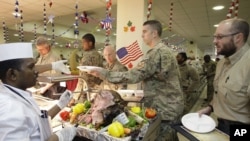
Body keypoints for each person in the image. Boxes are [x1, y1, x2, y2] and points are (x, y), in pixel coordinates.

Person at [89, 20, 184, 141]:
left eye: (145, 32)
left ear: (154, 33)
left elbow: (134, 75)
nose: (142, 35)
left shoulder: (157, 52)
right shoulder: (166, 50)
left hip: (165, 109)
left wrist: (104, 74)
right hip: (171, 105)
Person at [0, 43, 76, 141]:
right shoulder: (10, 109)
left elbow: (37, 120)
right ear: (12, 74)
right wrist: (58, 138)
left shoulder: (18, 94)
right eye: (31, 67)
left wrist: (60, 105)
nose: (36, 71)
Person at [198, 18, 250, 135]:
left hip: (241, 129)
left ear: (238, 38)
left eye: (220, 37)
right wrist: (210, 108)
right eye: (214, 37)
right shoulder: (222, 63)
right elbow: (220, 92)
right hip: (221, 124)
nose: (214, 41)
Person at [73, 33, 103, 100]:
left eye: (84, 42)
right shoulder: (99, 55)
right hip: (95, 89)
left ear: (90, 43)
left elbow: (83, 76)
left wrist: (76, 95)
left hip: (86, 89)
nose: (82, 45)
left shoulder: (88, 55)